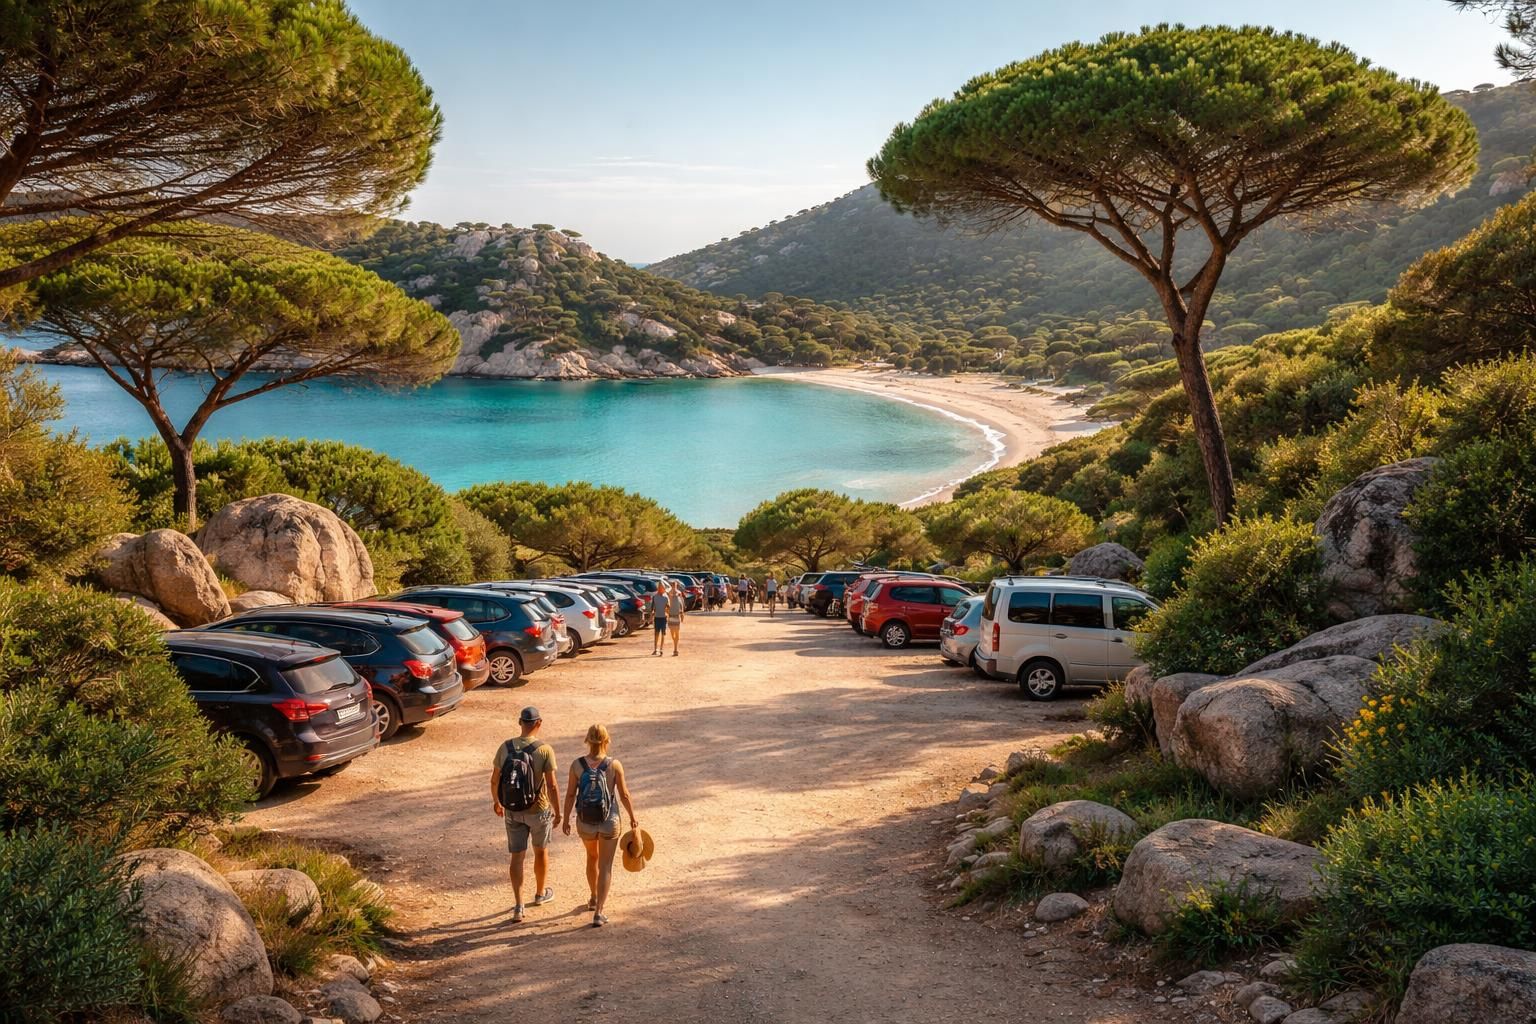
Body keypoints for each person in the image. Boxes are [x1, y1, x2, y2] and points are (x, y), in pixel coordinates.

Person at [561, 723, 639, 928]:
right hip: (609, 822)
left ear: (587, 740)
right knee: (605, 865)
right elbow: (624, 794)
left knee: (592, 857)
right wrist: (633, 818)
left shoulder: (577, 766)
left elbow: (570, 794)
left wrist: (567, 817)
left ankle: (594, 896)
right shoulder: (614, 765)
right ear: (606, 740)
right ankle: (599, 912)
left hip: (585, 822)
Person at [491, 706, 561, 923]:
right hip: (538, 810)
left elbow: (495, 779)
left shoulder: (505, 747)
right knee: (540, 852)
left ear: (519, 722)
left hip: (512, 809)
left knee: (517, 857)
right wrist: (558, 812)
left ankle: (519, 906)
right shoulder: (544, 750)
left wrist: (497, 802)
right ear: (538, 723)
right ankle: (540, 894)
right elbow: (552, 785)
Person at [665, 579, 685, 656]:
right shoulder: (668, 593)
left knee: (677, 632)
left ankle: (675, 649)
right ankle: (675, 643)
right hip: (671, 616)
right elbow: (667, 604)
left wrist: (682, 613)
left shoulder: (679, 594)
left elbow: (681, 604)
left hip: (677, 616)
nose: (674, 586)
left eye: (675, 585)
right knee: (672, 632)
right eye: (673, 585)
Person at [651, 584, 669, 656]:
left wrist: (668, 612)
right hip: (657, 617)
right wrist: (652, 614)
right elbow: (652, 608)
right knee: (656, 634)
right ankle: (655, 649)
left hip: (663, 618)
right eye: (660, 588)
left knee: (663, 634)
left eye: (663, 588)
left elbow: (668, 607)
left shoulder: (666, 598)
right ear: (658, 588)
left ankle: (661, 649)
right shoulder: (654, 597)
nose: (662, 589)